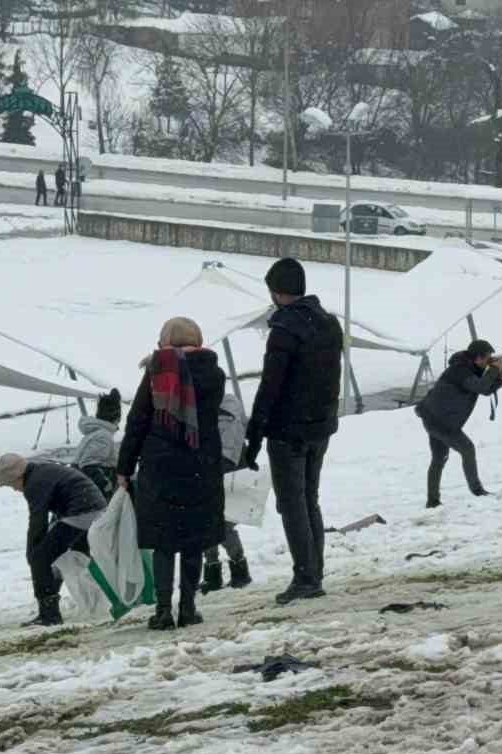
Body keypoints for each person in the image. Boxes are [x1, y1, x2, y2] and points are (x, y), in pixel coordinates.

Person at [242, 257, 344, 606]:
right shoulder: (328, 323)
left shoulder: (285, 329)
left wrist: (255, 435)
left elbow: (270, 387)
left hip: (288, 430)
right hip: (321, 427)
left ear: (277, 292)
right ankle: (314, 572)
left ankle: (306, 577)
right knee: (309, 498)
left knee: (292, 503)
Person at [117, 317, 227, 630]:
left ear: (165, 342)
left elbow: (138, 421)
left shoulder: (157, 372)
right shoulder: (214, 373)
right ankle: (188, 608)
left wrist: (124, 467)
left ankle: (163, 611)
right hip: (201, 466)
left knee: (164, 542)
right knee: (193, 540)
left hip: (161, 467)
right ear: (198, 340)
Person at [0, 452, 106, 627]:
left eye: (11, 484)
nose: (14, 489)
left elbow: (37, 521)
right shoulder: (40, 472)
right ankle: (88, 602)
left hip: (81, 512)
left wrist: (32, 552)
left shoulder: (34, 483)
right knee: (57, 556)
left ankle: (49, 615)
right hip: (92, 509)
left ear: (18, 476)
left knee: (41, 558)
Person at [416, 339, 502, 508]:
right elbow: (481, 387)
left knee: (439, 458)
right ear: (478, 358)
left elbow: (485, 389)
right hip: (441, 422)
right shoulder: (460, 370)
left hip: (435, 417)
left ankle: (432, 501)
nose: (489, 362)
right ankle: (477, 491)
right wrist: (495, 368)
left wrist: (500, 378)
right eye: (488, 358)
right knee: (467, 449)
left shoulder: (470, 368)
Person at [201, 393, 252, 594]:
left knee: (217, 523)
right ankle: (232, 569)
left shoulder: (210, 409)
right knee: (217, 523)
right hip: (230, 471)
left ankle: (225, 570)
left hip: (218, 472)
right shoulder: (232, 406)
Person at [74, 389, 122, 500]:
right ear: (116, 417)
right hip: (94, 494)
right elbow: (88, 465)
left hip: (85, 490)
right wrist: (106, 486)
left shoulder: (96, 433)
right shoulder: (103, 436)